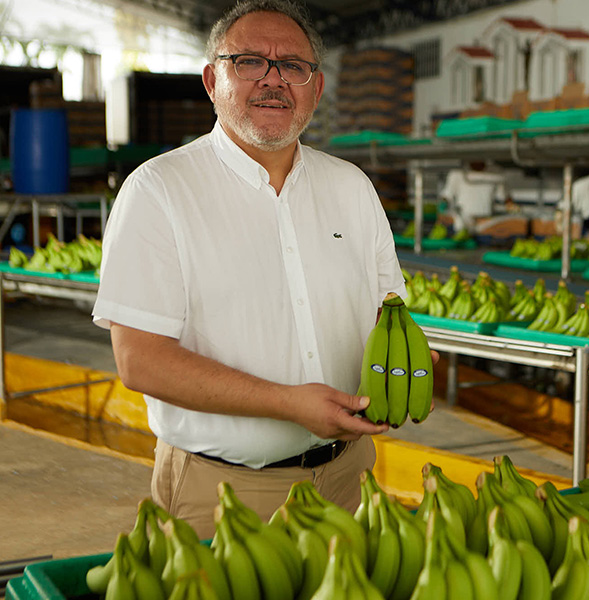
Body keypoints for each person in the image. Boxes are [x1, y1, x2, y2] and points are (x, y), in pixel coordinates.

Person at [91, 0, 415, 539]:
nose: (273, 80)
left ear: (316, 87)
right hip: (221, 493)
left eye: (293, 66)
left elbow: (390, 318)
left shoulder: (352, 188)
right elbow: (140, 361)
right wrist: (289, 404)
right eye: (248, 62)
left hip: (348, 479)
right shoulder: (160, 190)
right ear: (211, 79)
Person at [438, 161, 512, 233]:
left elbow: (505, 197)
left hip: (485, 223)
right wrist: (443, 205)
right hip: (462, 222)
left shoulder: (496, 173)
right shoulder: (457, 173)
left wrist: (512, 208)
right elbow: (447, 195)